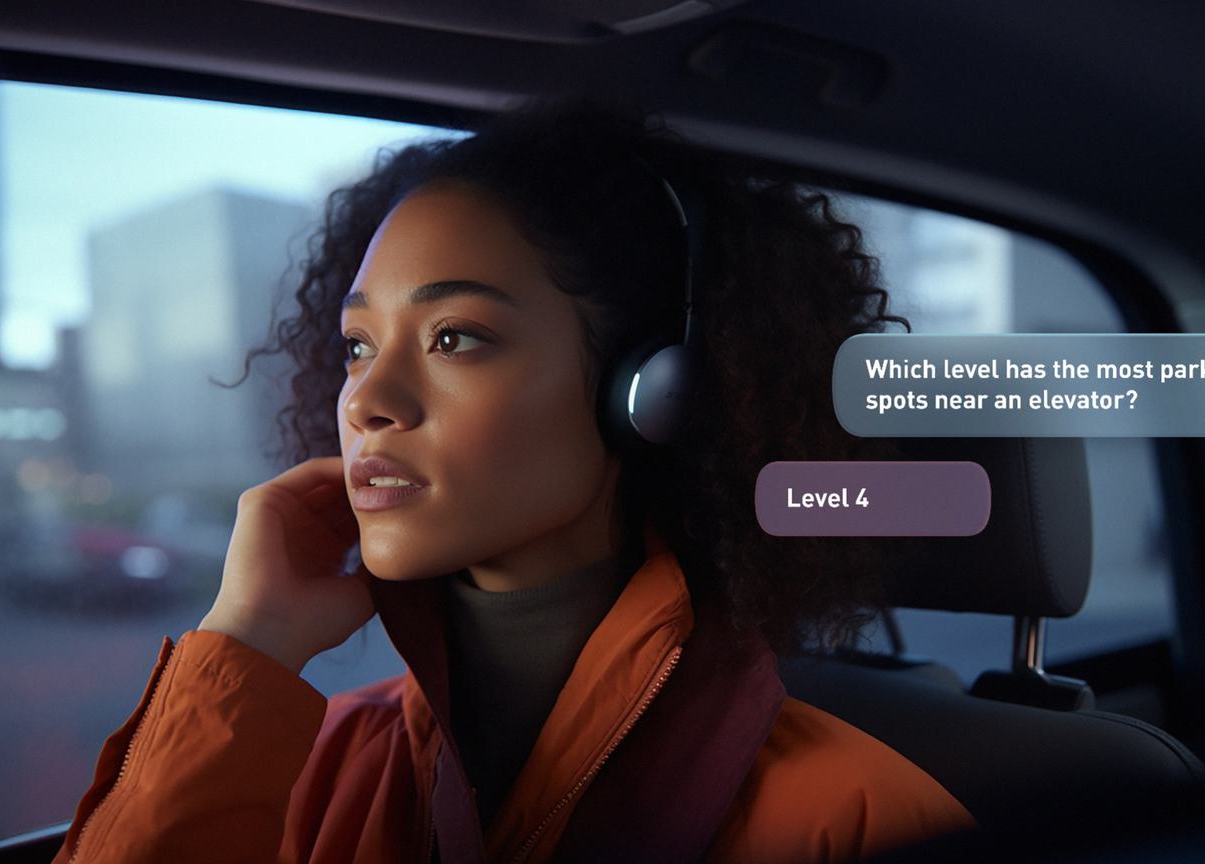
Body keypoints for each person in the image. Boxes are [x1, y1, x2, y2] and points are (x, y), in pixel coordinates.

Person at [50, 93, 976, 864]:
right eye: (357, 345)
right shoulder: (300, 759)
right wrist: (248, 644)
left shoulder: (853, 819)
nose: (367, 399)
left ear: (657, 391)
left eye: (455, 337)